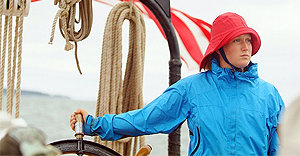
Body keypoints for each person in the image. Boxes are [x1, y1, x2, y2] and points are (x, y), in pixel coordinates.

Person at [70, 12, 284, 155]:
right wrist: (93, 124)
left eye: (248, 40)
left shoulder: (269, 95)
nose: (246, 47)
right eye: (237, 40)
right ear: (219, 48)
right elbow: (145, 119)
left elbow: (282, 148)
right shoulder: (192, 89)